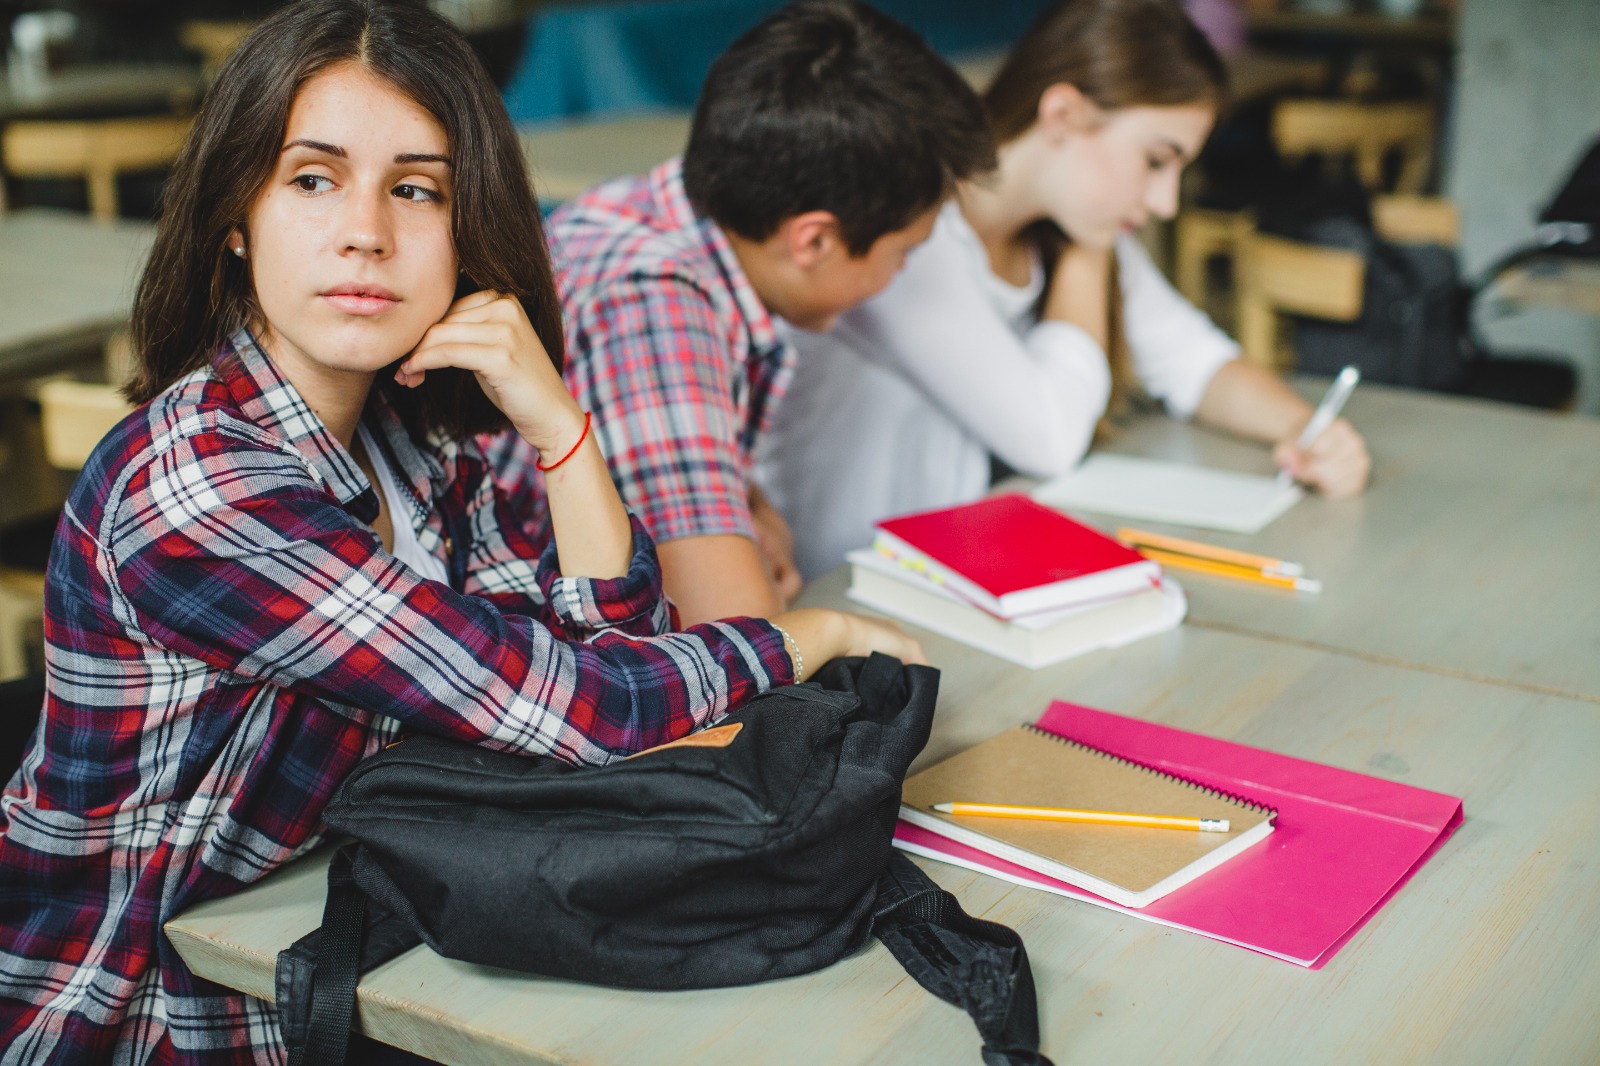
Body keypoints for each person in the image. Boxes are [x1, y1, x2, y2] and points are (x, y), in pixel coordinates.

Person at [0, 2, 920, 1061]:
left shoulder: (411, 447)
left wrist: (561, 429)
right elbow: (584, 708)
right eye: (312, 178)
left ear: (465, 225)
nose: (366, 232)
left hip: (349, 948)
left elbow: (608, 650)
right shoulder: (204, 486)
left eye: (415, 189)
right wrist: (811, 636)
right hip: (157, 1011)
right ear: (235, 215)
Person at [756, 0, 1374, 581]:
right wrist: (1092, 252)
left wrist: (1305, 429)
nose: (1163, 201)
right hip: (843, 583)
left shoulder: (1070, 225)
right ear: (1063, 116)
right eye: (1156, 160)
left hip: (956, 568)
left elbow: (1193, 359)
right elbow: (1049, 437)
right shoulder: (906, 235)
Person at [494, 0, 995, 626]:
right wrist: (748, 571)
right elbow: (732, 631)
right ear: (812, 241)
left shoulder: (655, 209)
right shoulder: (654, 299)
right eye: (903, 253)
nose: (899, 278)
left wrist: (752, 513)